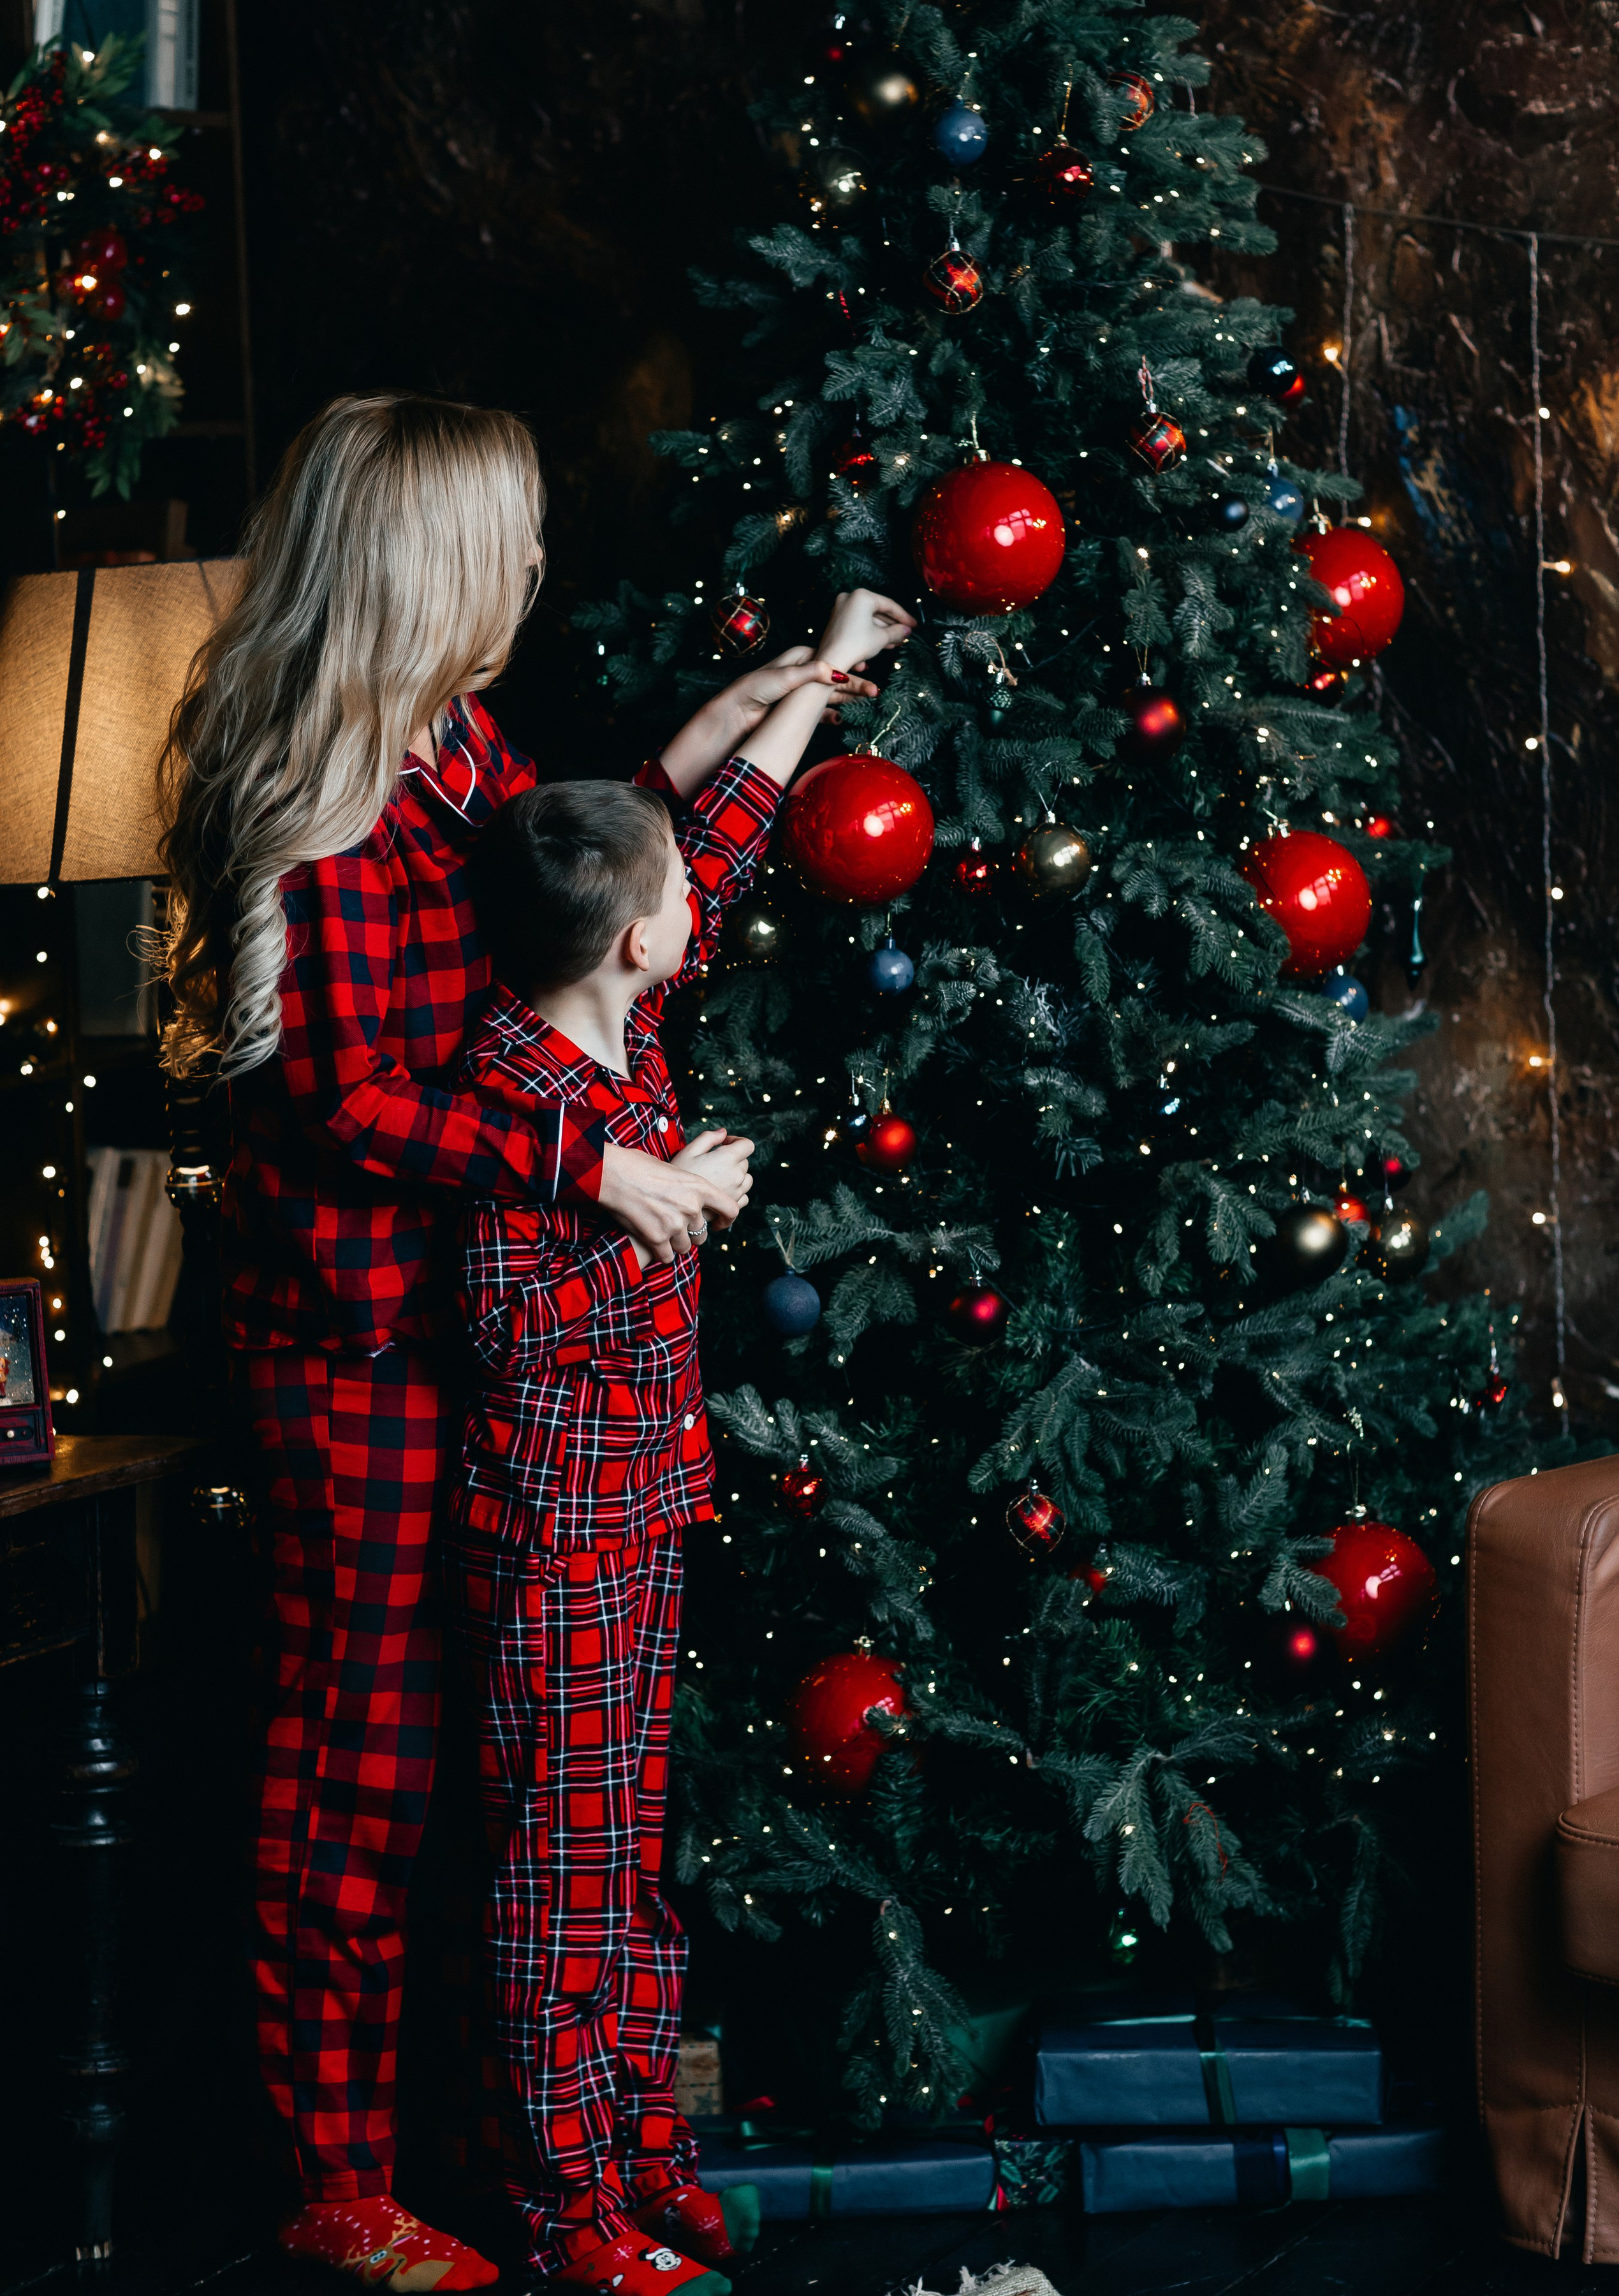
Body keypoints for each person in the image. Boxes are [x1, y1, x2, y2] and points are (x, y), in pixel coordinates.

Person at [157, 386, 906, 2291]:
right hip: (359, 1354)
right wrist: (599, 1167)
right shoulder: (307, 802)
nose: (538, 576)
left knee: (536, 1781)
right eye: (514, 547)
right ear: (427, 570)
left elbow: (581, 899)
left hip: (502, 1347)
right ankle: (340, 2183)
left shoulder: (466, 742)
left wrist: (753, 715)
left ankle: (542, 2162)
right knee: (366, 1762)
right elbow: (349, 1097)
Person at [448, 589, 911, 2295]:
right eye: (680, 909)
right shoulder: (524, 1114)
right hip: (556, 1535)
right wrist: (670, 1211)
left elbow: (703, 827)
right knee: (558, 1874)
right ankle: (565, 2207)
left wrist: (822, 681)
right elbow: (508, 1336)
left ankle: (645, 2153)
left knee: (626, 1850)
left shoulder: (617, 1016)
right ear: (638, 943)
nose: (698, 907)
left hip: (637, 1522)